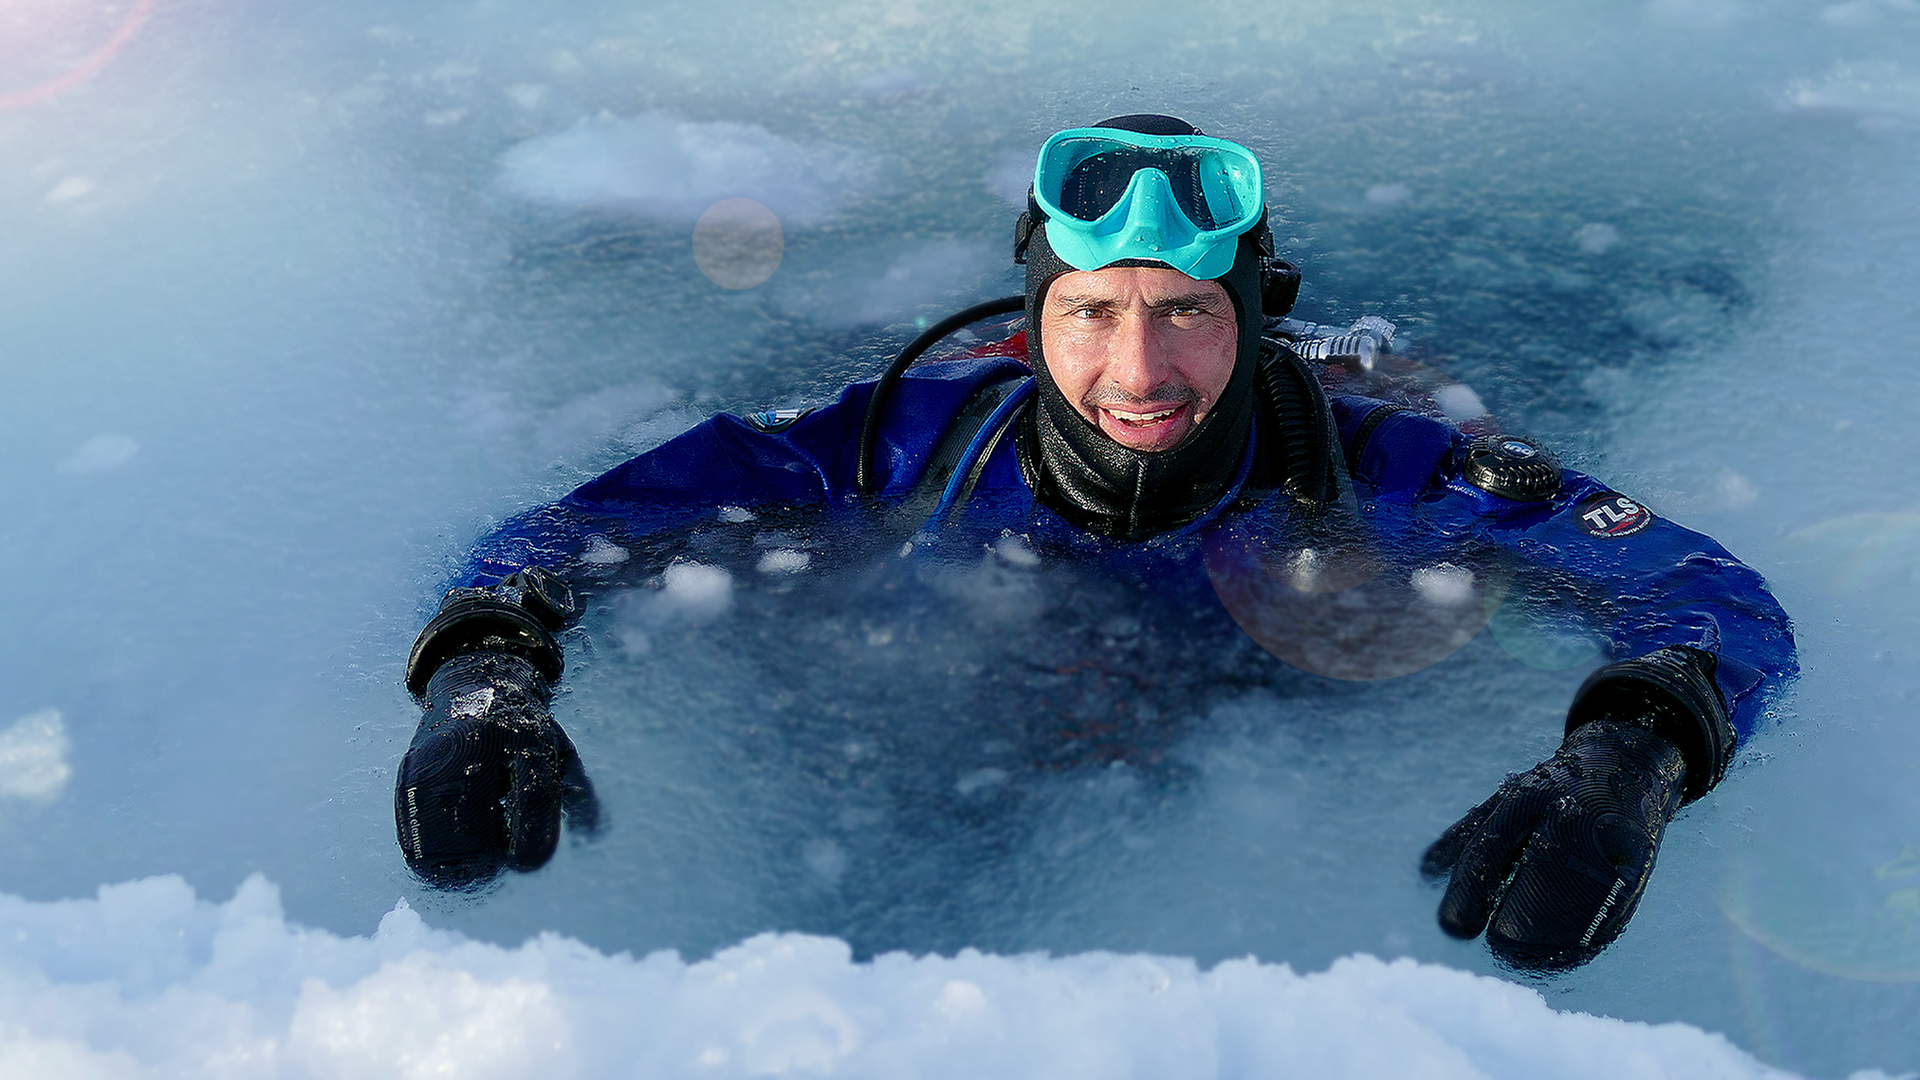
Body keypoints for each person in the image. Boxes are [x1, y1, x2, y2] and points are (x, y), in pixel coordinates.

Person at [393, 114, 1796, 969]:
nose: (1142, 368)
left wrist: (1629, 757)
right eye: (1094, 313)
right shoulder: (913, 432)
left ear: (1257, 313)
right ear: (1033, 322)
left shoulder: (1388, 464)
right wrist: (485, 670)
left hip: (1267, 739)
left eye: (1188, 309)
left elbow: (1706, 596)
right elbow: (578, 526)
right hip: (980, 754)